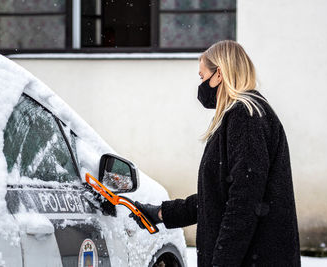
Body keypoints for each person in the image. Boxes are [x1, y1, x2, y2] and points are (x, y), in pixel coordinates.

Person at [129, 40, 301, 266]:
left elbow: (244, 201)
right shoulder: (242, 116)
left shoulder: (245, 117)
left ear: (218, 74)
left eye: (202, 77)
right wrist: (163, 213)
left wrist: (222, 261)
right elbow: (219, 196)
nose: (201, 85)